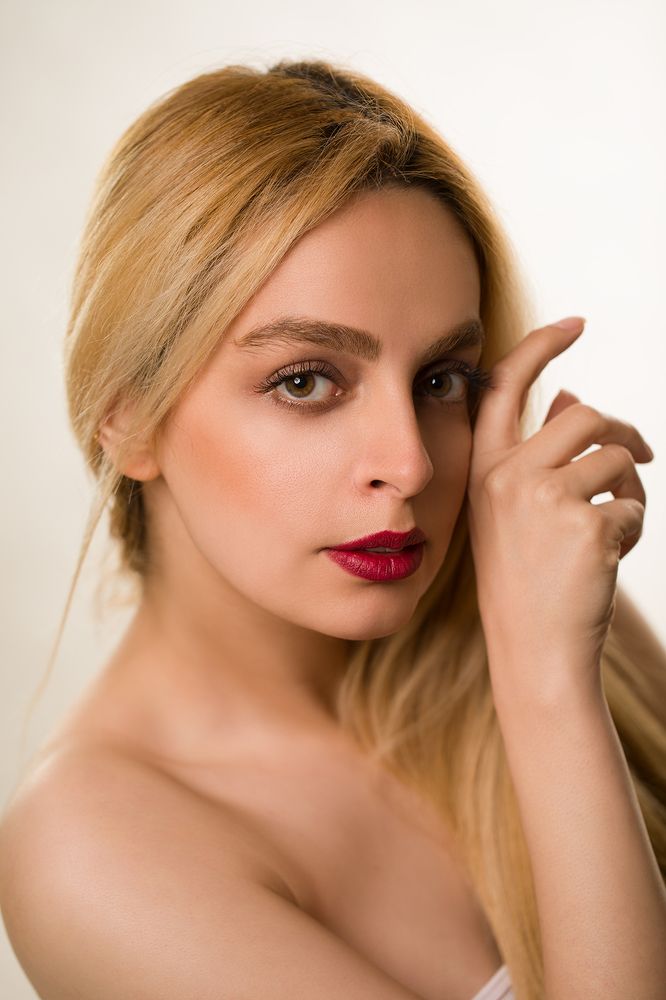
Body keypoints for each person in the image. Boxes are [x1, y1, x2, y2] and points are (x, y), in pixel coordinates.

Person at [1, 58, 665, 1000]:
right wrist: (547, 690)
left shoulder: (527, 598)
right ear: (128, 417)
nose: (412, 464)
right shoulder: (90, 852)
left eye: (441, 379)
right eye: (305, 381)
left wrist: (543, 659)